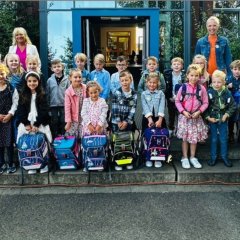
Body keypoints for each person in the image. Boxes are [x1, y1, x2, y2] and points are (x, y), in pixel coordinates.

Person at [17, 71, 52, 174]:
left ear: (39, 81)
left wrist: (37, 124)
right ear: (26, 82)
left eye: (34, 81)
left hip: (40, 122)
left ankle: (44, 163)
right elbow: (20, 110)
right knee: (27, 143)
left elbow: (44, 110)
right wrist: (26, 124)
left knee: (43, 140)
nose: (32, 83)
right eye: (29, 81)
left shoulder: (42, 94)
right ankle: (30, 163)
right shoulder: (23, 94)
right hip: (27, 123)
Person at [175, 64, 209, 169]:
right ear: (187, 75)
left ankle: (193, 157)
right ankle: (185, 157)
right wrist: (183, 112)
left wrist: (199, 112)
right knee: (185, 138)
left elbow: (205, 103)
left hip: (196, 117)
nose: (194, 78)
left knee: (194, 139)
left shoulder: (201, 88)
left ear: (199, 76)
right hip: (184, 117)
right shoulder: (183, 87)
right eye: (192, 75)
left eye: (196, 76)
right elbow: (177, 101)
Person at [205, 70, 236, 167]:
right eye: (214, 82)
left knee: (223, 139)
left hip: (223, 120)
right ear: (211, 82)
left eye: (219, 82)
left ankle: (224, 157)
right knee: (214, 139)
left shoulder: (226, 92)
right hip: (213, 120)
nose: (216, 84)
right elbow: (205, 106)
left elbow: (233, 106)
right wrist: (208, 117)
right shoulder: (209, 92)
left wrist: (227, 114)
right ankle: (213, 157)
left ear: (223, 82)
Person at [0, 64, 19, 174]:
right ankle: (1, 163)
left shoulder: (11, 87)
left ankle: (11, 163)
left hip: (8, 119)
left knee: (9, 142)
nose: (0, 76)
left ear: (6, 73)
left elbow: (15, 101)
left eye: (2, 73)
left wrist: (10, 114)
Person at [47, 59, 70, 138]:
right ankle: (55, 137)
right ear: (52, 69)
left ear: (62, 67)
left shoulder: (67, 79)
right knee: (54, 121)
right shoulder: (49, 80)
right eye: (55, 67)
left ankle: (64, 136)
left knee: (63, 121)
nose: (57, 68)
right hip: (53, 105)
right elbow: (48, 93)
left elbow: (69, 92)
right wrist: (48, 106)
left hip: (64, 104)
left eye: (59, 66)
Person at [164, 57, 185, 136]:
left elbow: (186, 88)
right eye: (174, 64)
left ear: (182, 66)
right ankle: (171, 128)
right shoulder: (167, 75)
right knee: (171, 114)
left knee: (180, 114)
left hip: (181, 99)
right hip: (171, 98)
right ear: (171, 66)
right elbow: (166, 87)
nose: (176, 66)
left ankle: (179, 128)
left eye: (178, 64)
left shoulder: (184, 75)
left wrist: (181, 98)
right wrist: (169, 97)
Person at [64, 69, 87, 138]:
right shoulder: (68, 92)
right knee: (72, 137)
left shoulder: (85, 88)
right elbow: (67, 108)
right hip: (74, 118)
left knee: (84, 135)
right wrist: (68, 122)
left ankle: (82, 148)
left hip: (85, 117)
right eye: (75, 77)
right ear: (70, 78)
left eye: (80, 77)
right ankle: (74, 148)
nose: (78, 79)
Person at [227, 59, 240, 143]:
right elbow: (223, 89)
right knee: (231, 119)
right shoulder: (228, 79)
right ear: (231, 69)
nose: (237, 71)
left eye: (239, 69)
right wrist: (228, 86)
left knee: (239, 119)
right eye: (235, 69)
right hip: (231, 103)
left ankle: (239, 135)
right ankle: (230, 134)